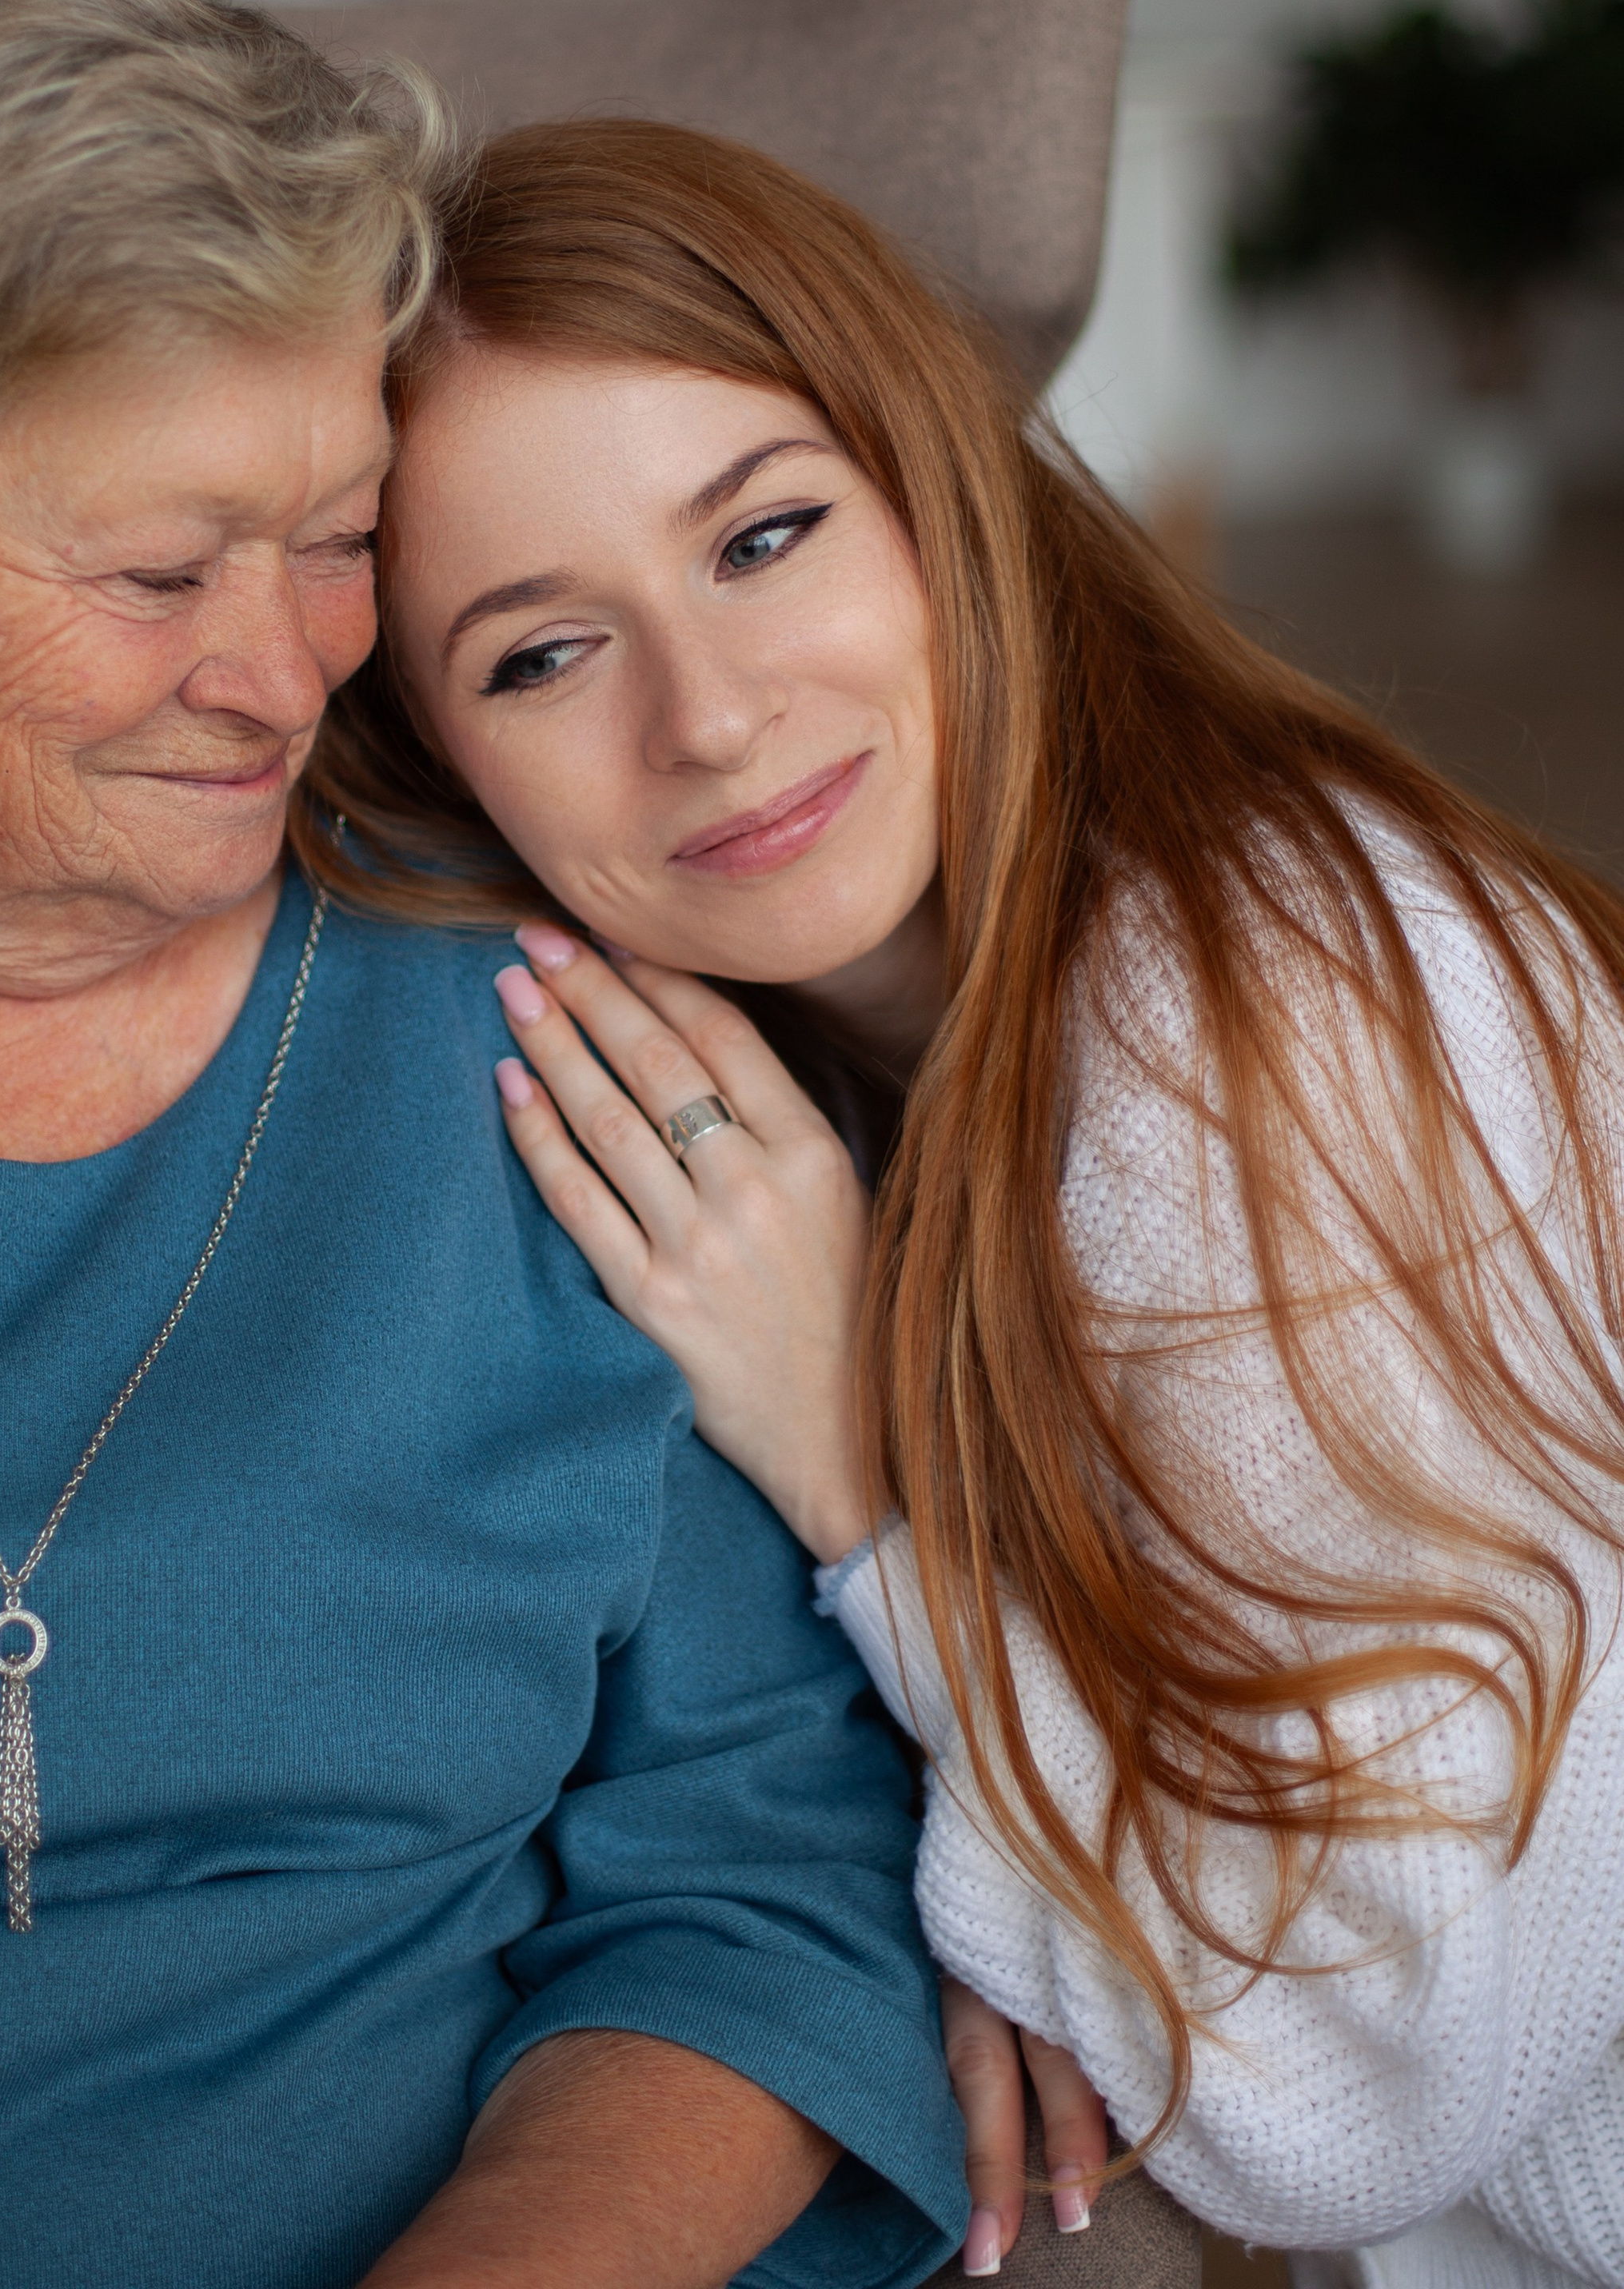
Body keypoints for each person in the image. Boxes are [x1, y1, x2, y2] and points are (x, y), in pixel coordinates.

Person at [0, 0, 969, 2289]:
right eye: (155, 571)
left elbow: (764, 1854)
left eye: (336, 538)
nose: (282, 674)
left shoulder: (537, 1018)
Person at [305, 114, 1624, 2289]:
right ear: (438, 763)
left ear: (936, 484)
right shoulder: (852, 1070)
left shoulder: (1253, 1011)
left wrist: (862, 1481)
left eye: (764, 536)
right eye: (540, 655)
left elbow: (1338, 2099)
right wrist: (979, 1889)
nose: (712, 718)